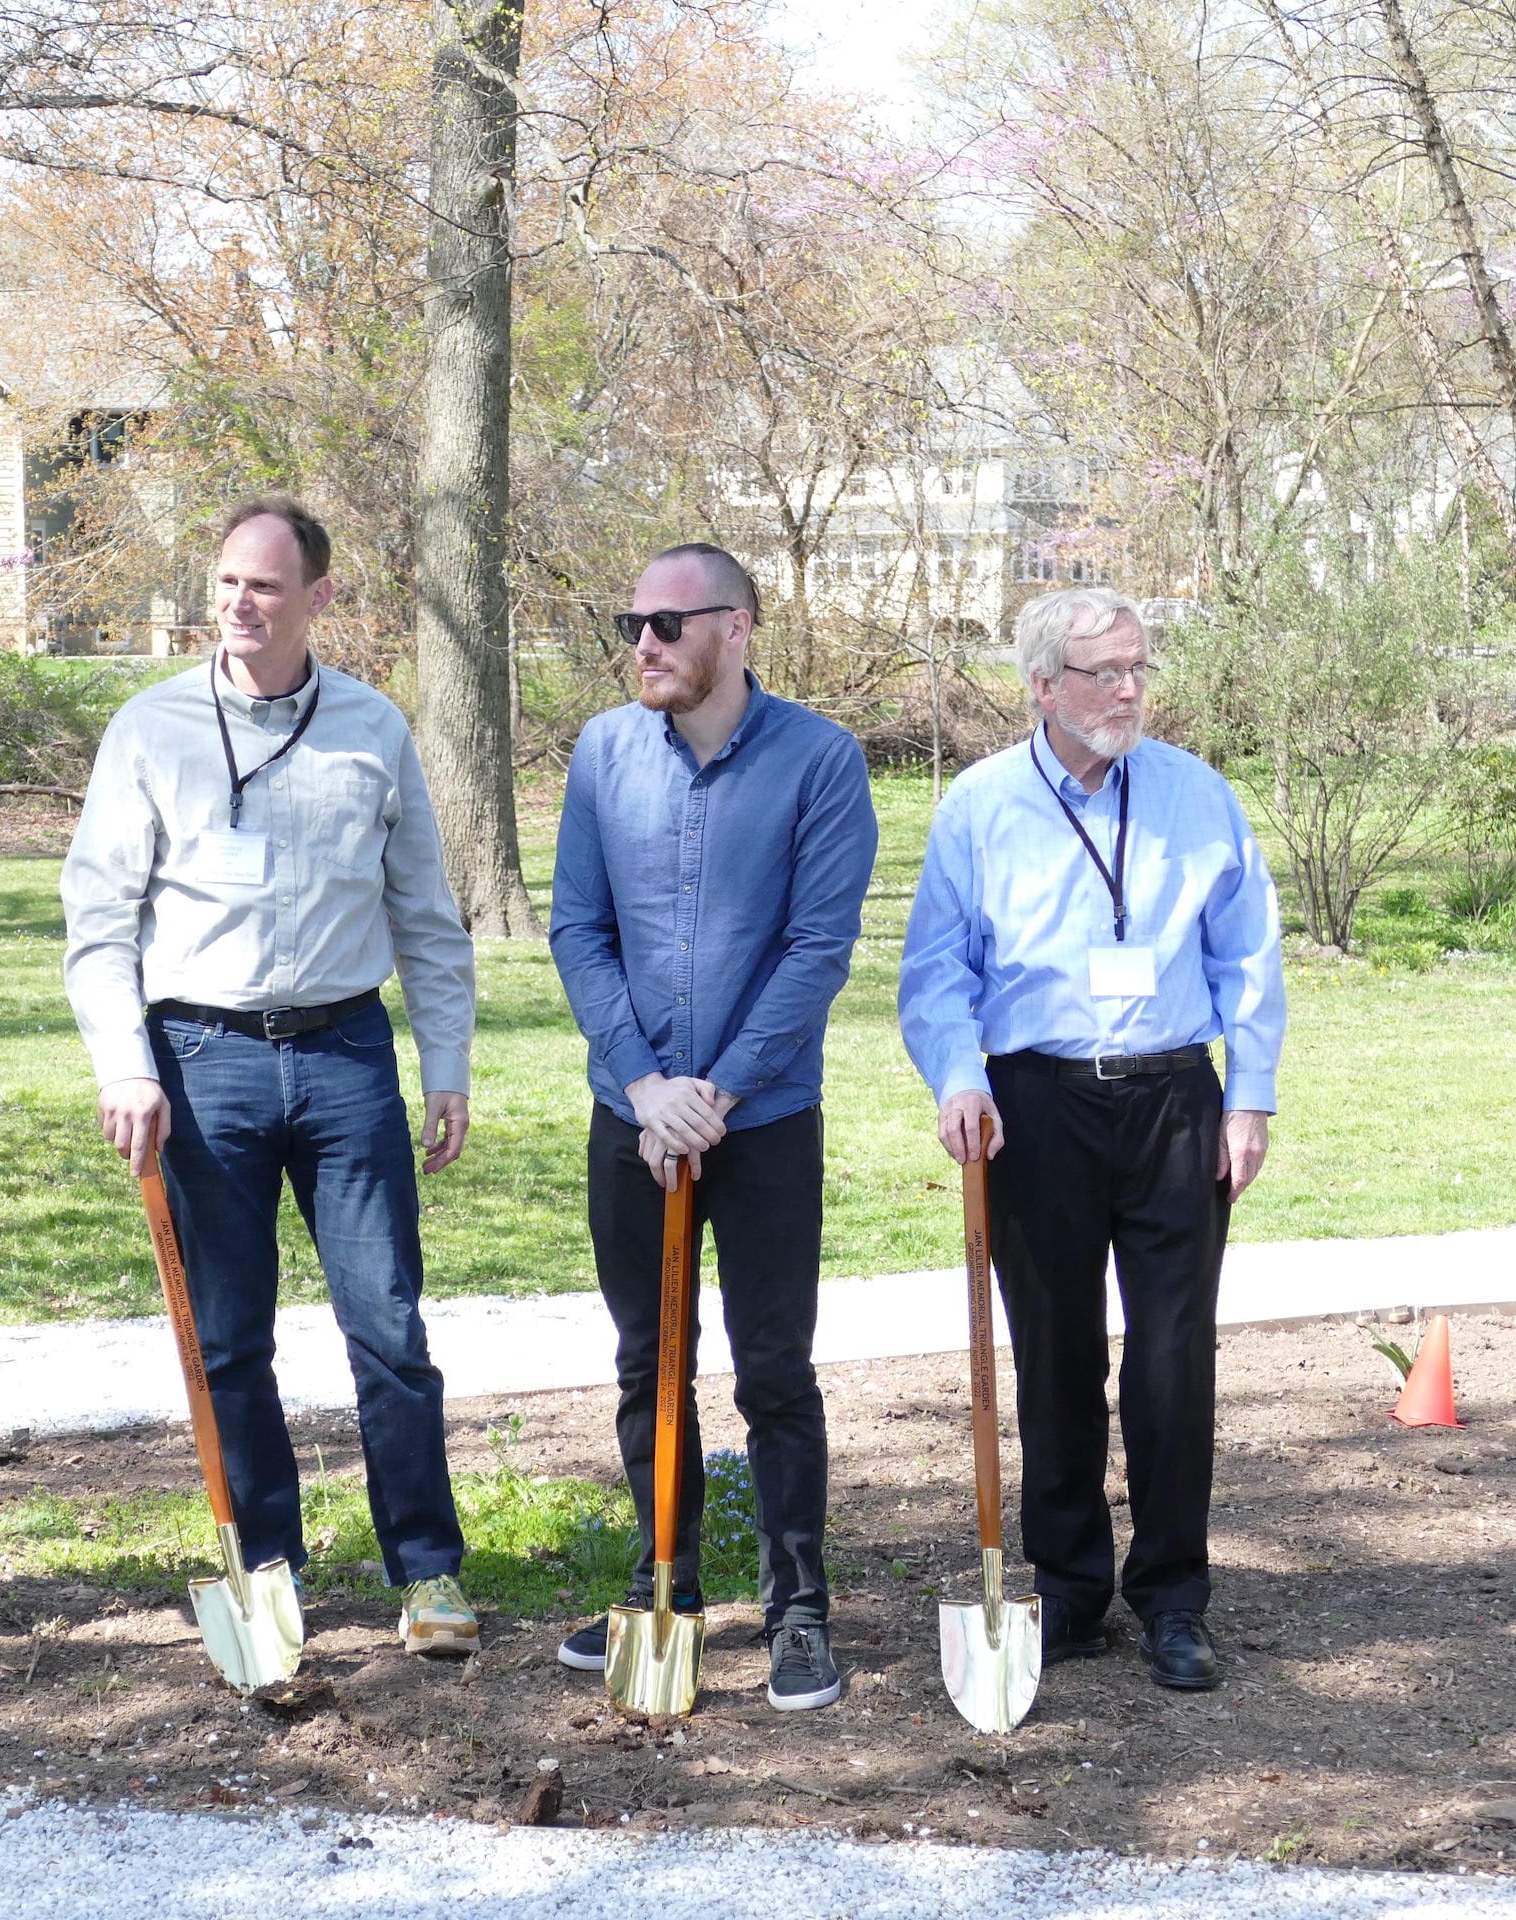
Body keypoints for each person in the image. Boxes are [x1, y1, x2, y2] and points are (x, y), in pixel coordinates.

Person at [61, 495, 482, 1656]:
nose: (239, 606)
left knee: (387, 1325)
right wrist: (125, 1065)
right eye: (226, 585)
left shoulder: (372, 728)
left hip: (346, 1055)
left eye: (263, 586)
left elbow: (426, 916)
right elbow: (98, 921)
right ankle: (266, 1568)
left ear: (318, 598)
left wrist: (443, 1062)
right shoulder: (150, 730)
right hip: (203, 1065)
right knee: (231, 1338)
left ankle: (429, 1572)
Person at [898, 585, 1285, 1692]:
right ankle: (1068, 1590)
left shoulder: (1194, 795)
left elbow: (1246, 956)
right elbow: (936, 969)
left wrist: (1247, 1095)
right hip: (1038, 1104)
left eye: (1137, 670)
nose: (1126, 691)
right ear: (1040, 686)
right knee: (1054, 1355)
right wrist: (958, 1076)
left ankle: (1172, 1596)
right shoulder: (980, 806)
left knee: (1172, 1361)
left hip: (1173, 1102)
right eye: (1102, 673)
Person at [546, 542, 879, 1711]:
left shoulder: (820, 762)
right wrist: (643, 1088)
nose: (644, 642)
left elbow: (816, 952)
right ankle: (664, 1588)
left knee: (775, 1371)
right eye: (631, 621)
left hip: (765, 1120)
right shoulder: (600, 753)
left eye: (667, 624)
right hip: (630, 1119)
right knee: (651, 1362)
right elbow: (577, 933)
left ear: (734, 629)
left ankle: (797, 1610)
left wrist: (715, 1094)